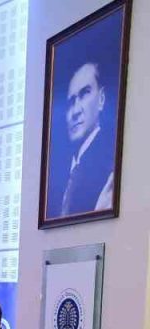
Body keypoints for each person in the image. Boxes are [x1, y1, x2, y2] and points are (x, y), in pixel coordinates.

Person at [50, 61, 117, 217]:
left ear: (101, 99)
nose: (75, 111)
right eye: (70, 102)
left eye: (84, 94)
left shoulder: (111, 168)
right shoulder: (58, 176)